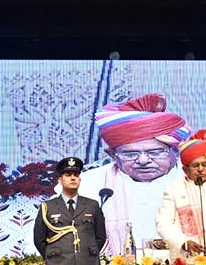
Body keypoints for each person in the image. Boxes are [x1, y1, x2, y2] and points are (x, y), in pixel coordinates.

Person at [78, 93, 191, 255]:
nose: (143, 160)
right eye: (131, 154)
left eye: (155, 152)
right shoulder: (88, 185)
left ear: (176, 150)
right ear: (112, 155)